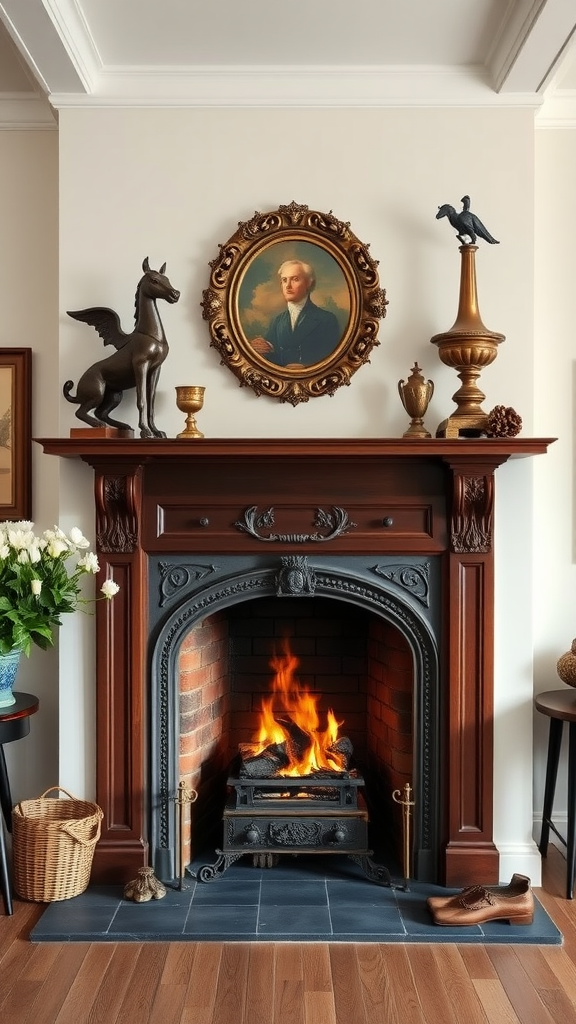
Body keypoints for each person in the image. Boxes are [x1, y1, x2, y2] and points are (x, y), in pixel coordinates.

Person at [251, 260, 341, 367]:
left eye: (295, 279)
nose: (288, 286)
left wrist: (306, 367)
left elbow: (333, 360)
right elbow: (271, 358)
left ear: (308, 283)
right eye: (284, 280)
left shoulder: (327, 319)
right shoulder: (277, 321)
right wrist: (260, 347)